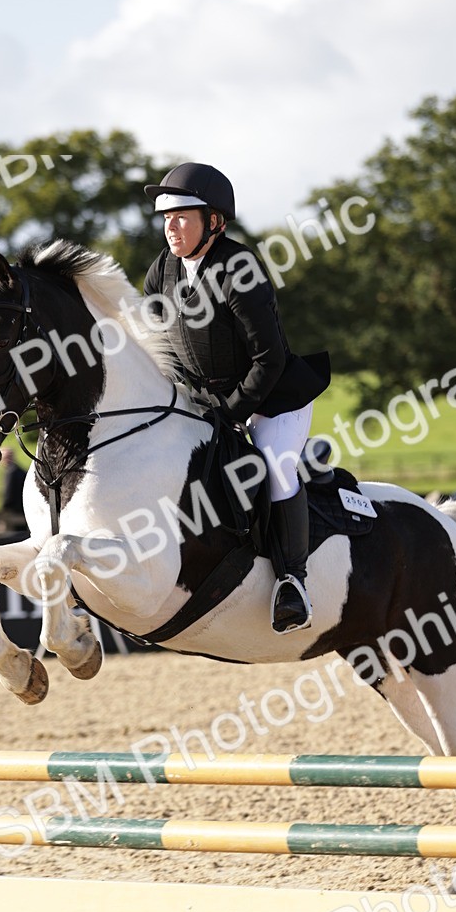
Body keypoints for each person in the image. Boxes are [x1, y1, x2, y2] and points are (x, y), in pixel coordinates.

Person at [142, 162, 329, 633]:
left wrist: (232, 413)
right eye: (166, 216)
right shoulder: (160, 272)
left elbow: (268, 358)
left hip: (272, 399)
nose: (171, 226)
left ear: (214, 223)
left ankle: (293, 583)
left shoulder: (239, 268)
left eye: (183, 216)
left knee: (274, 464)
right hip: (205, 401)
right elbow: (160, 347)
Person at [0, 447, 27, 527]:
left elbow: (9, 494)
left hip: (15, 512)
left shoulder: (11, 472)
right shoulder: (21, 470)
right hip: (24, 509)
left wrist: (4, 509)